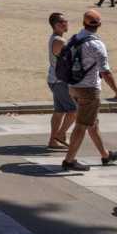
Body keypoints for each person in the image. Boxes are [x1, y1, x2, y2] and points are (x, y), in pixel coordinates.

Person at [61, 10, 117, 171]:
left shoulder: (75, 38)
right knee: (82, 125)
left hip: (73, 87)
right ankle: (69, 160)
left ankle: (105, 155)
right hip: (89, 90)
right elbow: (105, 72)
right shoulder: (97, 44)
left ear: (83, 23)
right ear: (100, 25)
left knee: (92, 122)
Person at [47, 13, 75, 149]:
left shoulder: (56, 38)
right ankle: (60, 134)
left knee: (59, 111)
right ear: (57, 25)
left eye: (66, 21)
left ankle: (53, 141)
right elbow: (70, 60)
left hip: (54, 79)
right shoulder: (59, 41)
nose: (66, 24)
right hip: (59, 81)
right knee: (74, 110)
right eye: (64, 22)